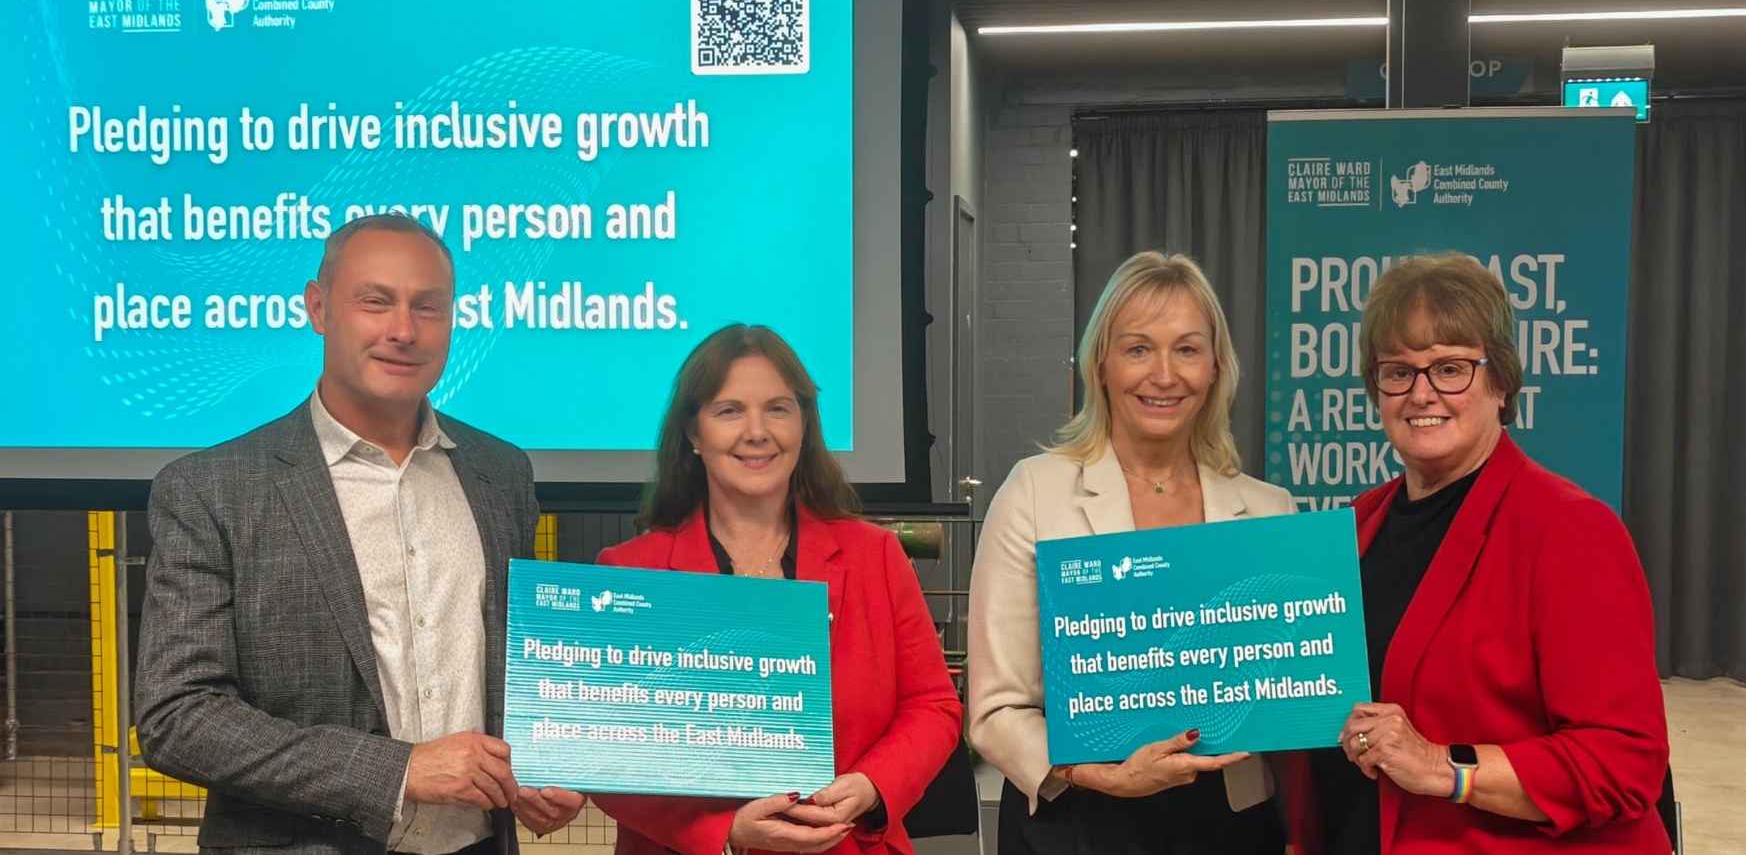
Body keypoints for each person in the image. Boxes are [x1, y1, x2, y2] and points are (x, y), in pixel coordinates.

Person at [136, 214, 584, 855]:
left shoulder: (501, 474)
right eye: (375, 301)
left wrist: (539, 766)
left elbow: (505, 671)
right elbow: (178, 718)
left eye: (427, 307)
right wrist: (400, 772)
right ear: (318, 308)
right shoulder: (213, 489)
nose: (403, 330)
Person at [1296, 252, 1669, 853]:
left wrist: (1445, 768)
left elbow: (1625, 762)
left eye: (1450, 368)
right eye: (1398, 371)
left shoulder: (1571, 530)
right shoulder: (1354, 526)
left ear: (1500, 382)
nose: (1422, 393)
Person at [590, 324, 962, 855]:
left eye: (779, 409)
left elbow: (933, 705)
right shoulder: (630, 576)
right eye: (729, 411)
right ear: (693, 434)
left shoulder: (875, 556)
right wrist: (723, 831)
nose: (757, 431)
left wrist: (873, 785)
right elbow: (604, 752)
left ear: (805, 426)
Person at [968, 251, 1291, 854]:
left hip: (1230, 822)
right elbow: (994, 710)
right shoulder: (1034, 494)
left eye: (1187, 349)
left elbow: (1286, 695)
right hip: (1076, 818)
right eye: (1138, 348)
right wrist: (1100, 775)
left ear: (1216, 366)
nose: (1163, 374)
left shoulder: (1271, 511)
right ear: (1102, 363)